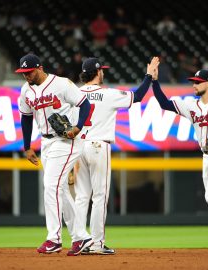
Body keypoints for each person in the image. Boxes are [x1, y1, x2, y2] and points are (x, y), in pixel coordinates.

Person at [73, 56, 160, 255]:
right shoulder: (107, 94)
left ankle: (79, 241)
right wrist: (148, 76)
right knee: (100, 197)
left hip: (78, 146)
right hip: (98, 145)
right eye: (101, 70)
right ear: (97, 72)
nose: (103, 72)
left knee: (81, 197)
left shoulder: (74, 93)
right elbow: (137, 96)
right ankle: (96, 244)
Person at [151, 66, 208, 255]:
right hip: (207, 157)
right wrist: (154, 81)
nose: (194, 85)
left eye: (198, 82)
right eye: (193, 82)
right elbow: (164, 103)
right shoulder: (191, 105)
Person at [16, 53, 93, 256]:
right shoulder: (26, 91)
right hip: (45, 142)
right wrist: (27, 146)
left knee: (51, 185)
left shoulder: (61, 84)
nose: (26, 75)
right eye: (23, 73)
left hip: (67, 139)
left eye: (29, 71)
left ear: (39, 68)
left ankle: (54, 239)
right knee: (60, 190)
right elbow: (26, 118)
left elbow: (85, 104)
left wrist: (78, 127)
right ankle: (81, 237)